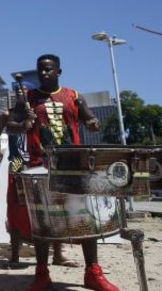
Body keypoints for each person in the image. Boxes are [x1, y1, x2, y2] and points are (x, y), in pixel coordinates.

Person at [21, 54, 119, 291]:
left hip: (74, 163)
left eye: (48, 69)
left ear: (58, 71)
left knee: (85, 217)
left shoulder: (74, 95)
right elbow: (13, 124)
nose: (44, 74)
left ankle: (93, 273)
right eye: (40, 70)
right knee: (43, 219)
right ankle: (42, 273)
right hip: (40, 163)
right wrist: (23, 122)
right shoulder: (28, 98)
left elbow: (89, 120)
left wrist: (94, 122)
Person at [0, 82, 79, 270]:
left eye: (24, 91)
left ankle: (57, 254)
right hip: (18, 166)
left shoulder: (42, 111)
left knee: (54, 207)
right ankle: (15, 256)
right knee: (16, 210)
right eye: (17, 92)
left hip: (43, 164)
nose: (21, 94)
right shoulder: (8, 114)